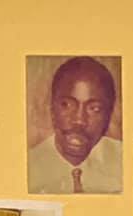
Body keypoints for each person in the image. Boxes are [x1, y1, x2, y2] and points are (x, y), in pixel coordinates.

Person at [28, 55, 121, 194]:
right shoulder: (28, 168)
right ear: (52, 108)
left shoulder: (127, 163)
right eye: (67, 105)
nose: (79, 120)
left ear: (109, 115)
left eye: (94, 109)